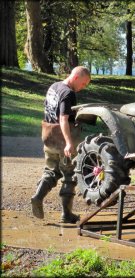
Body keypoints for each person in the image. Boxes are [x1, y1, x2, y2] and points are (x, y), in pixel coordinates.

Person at [31, 66, 91, 224]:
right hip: (62, 139)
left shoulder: (54, 87)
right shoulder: (68, 93)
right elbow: (63, 119)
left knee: (51, 170)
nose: (83, 88)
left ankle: (38, 196)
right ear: (76, 77)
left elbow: (49, 111)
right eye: (84, 84)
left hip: (48, 136)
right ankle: (66, 214)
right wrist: (69, 143)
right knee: (69, 176)